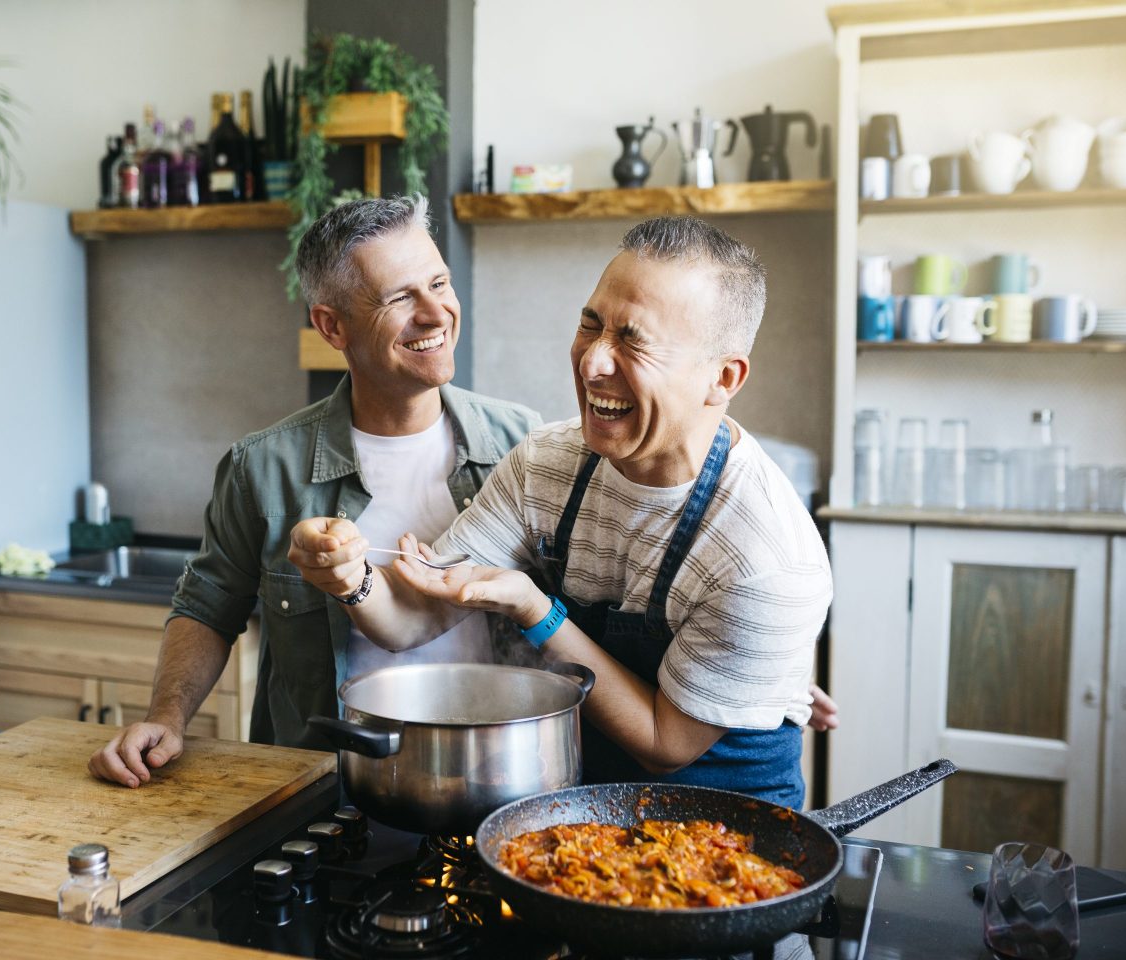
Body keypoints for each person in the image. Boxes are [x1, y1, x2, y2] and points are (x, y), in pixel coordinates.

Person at [288, 216, 833, 809]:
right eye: (589, 324)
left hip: (721, 836)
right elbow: (415, 616)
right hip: (578, 814)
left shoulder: (767, 557)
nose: (592, 362)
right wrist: (351, 580)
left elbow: (664, 743)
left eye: (633, 340)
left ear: (721, 378)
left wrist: (535, 609)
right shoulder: (546, 464)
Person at [88, 195, 541, 788]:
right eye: (401, 297)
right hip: (326, 794)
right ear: (332, 325)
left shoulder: (526, 445)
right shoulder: (262, 467)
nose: (436, 313)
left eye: (439, 283)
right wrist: (166, 718)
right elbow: (206, 607)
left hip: (497, 782)